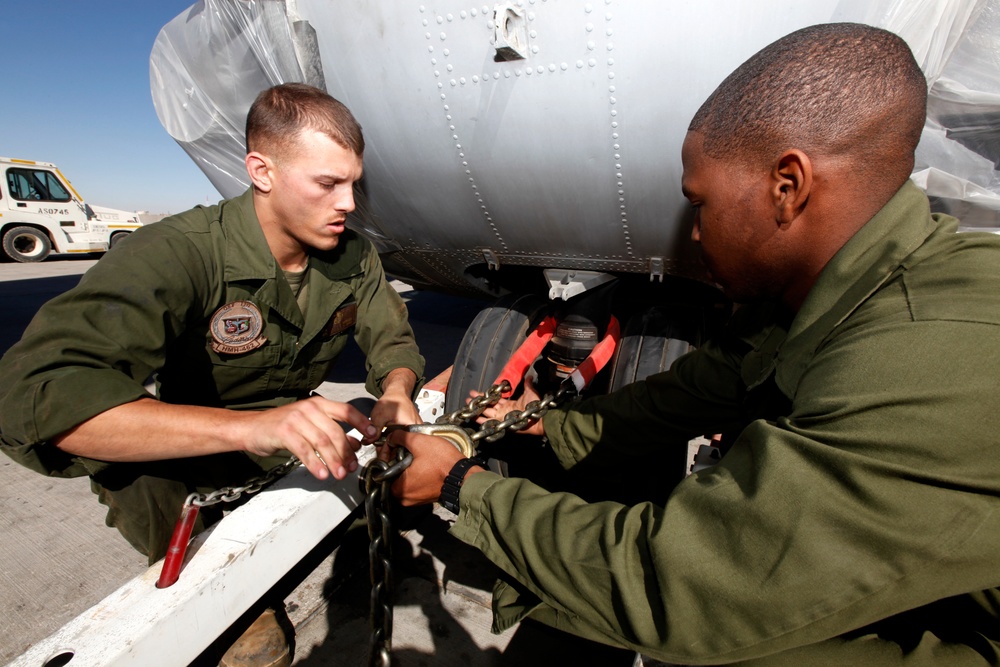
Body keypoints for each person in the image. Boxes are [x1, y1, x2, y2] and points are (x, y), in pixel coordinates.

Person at [386, 23, 1000, 665]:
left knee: (732, 646)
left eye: (698, 204)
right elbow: (707, 384)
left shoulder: (921, 354)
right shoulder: (843, 291)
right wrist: (552, 426)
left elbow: (692, 580)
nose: (696, 235)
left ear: (787, 187)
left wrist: (461, 487)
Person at [0, 83, 425, 667]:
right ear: (262, 170)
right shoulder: (178, 252)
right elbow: (35, 393)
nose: (349, 203)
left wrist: (397, 391)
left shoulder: (353, 256)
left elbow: (391, 337)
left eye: (353, 183)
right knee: (135, 475)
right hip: (191, 446)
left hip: (289, 430)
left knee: (392, 471)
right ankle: (231, 601)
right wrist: (247, 429)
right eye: (327, 184)